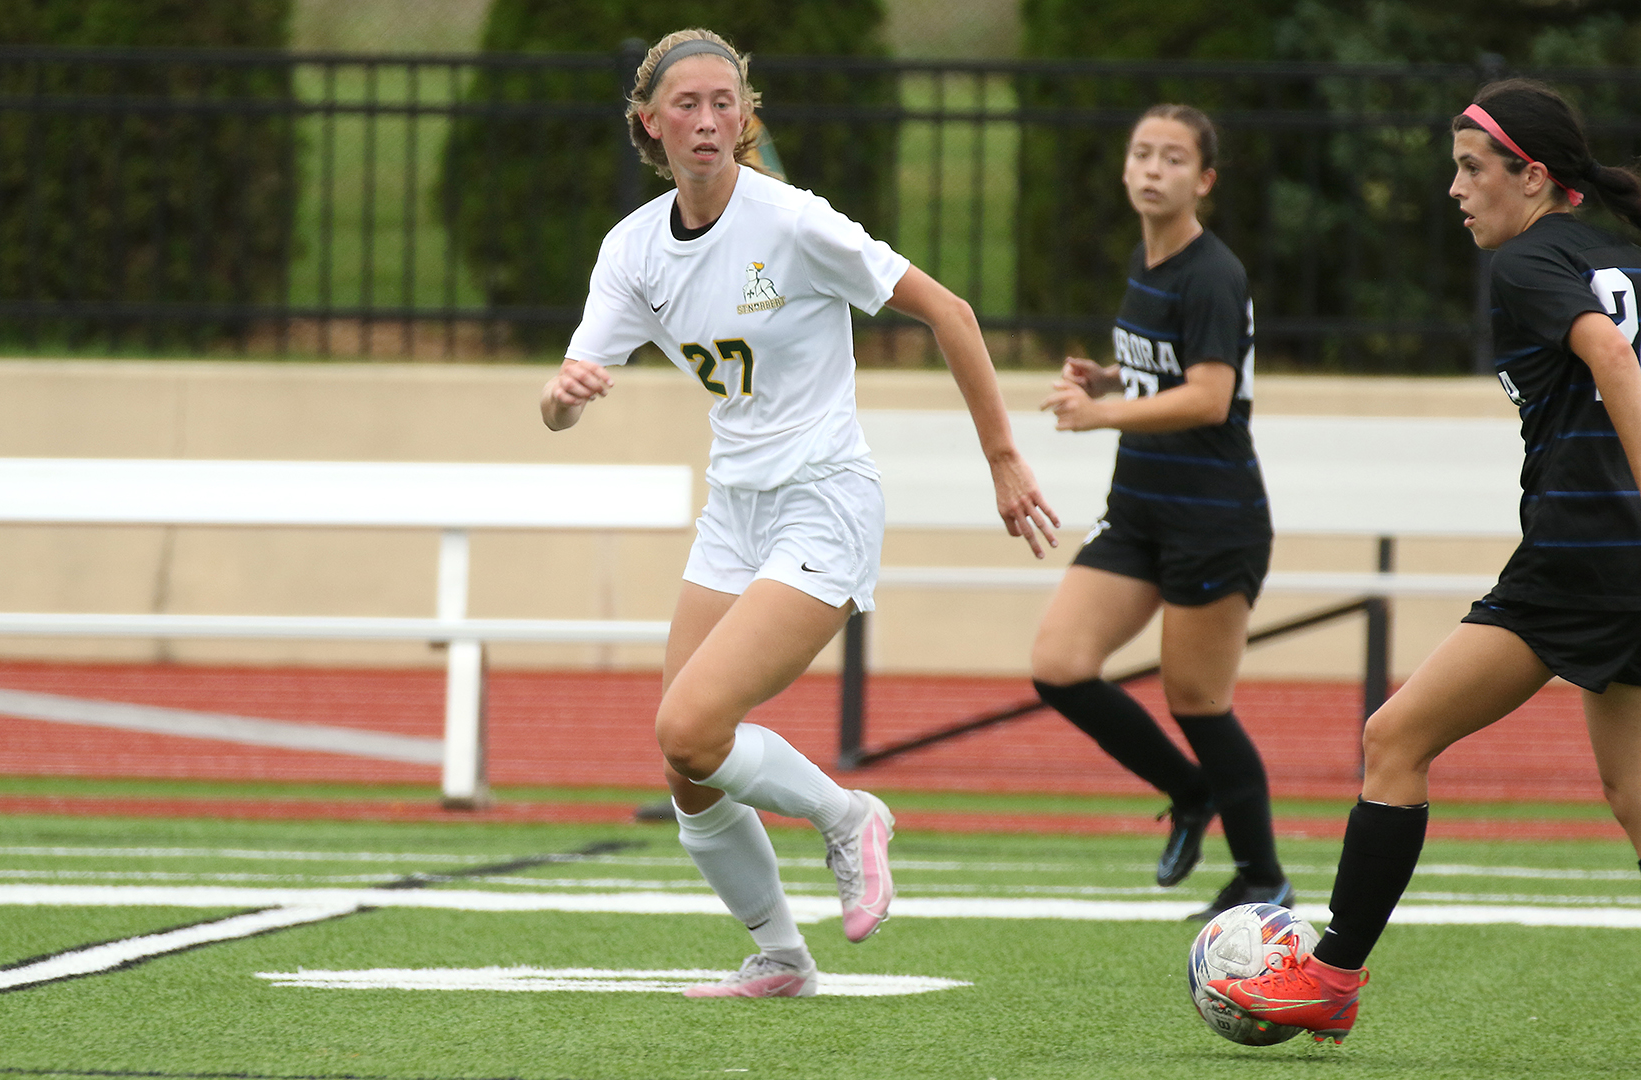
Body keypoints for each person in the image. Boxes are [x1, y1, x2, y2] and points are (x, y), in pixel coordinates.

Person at [541, 28, 1059, 998]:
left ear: (746, 117)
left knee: (694, 724)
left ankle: (848, 816)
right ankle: (781, 955)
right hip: (733, 511)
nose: (707, 120)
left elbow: (951, 311)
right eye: (686, 105)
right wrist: (565, 395)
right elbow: (564, 401)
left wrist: (1003, 459)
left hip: (823, 501)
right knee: (686, 766)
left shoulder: (793, 222)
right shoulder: (632, 249)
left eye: (725, 102)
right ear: (648, 123)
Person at [1208, 78, 1641, 1044]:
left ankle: (1330, 976)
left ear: (1532, 177)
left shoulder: (1530, 262)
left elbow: (1614, 362)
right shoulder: (1621, 254)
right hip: (1616, 565)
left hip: (1584, 562)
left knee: (1394, 741)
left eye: (1472, 168)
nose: (1455, 189)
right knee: (1634, 793)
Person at [1032, 104, 1290, 922]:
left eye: (1172, 159)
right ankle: (1189, 793)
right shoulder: (1149, 260)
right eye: (1140, 153)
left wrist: (1097, 415)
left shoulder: (1213, 271)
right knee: (1059, 665)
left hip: (1213, 519)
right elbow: (1176, 368)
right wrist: (1113, 378)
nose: (1151, 169)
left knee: (1198, 701)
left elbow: (1213, 397)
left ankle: (1264, 877)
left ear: (1203, 181)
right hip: (1138, 511)